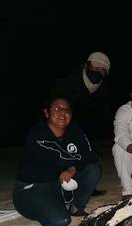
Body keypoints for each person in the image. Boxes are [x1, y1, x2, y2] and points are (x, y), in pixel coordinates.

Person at [13, 96, 101, 226]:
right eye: (57, 109)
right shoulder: (37, 133)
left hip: (60, 182)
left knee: (93, 169)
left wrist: (73, 168)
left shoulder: (75, 130)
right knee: (60, 220)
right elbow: (54, 161)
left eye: (67, 110)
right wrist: (74, 163)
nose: (63, 113)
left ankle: (76, 207)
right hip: (35, 187)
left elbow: (91, 156)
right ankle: (36, 204)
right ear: (46, 112)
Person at [49, 51, 112, 196]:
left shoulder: (102, 89)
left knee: (90, 154)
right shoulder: (68, 81)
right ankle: (59, 186)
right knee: (63, 154)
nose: (97, 71)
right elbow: (54, 106)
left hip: (87, 127)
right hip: (62, 124)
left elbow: (105, 113)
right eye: (95, 67)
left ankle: (87, 186)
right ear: (87, 65)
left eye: (102, 70)